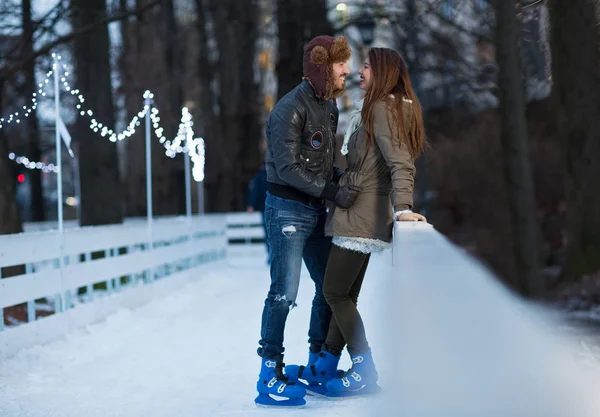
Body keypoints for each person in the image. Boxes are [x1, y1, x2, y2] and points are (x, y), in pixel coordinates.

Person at [286, 47, 427, 397]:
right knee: (344, 293)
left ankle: (365, 368)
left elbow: (401, 161)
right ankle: (326, 365)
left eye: (366, 66)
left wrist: (404, 207)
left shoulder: (383, 108)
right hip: (362, 212)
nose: (359, 71)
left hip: (362, 214)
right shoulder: (385, 108)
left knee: (334, 291)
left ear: (383, 72)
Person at [254, 35, 355, 407]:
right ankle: (269, 375)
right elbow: (287, 168)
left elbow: (321, 163)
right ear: (320, 66)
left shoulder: (329, 106)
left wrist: (340, 179)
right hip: (288, 211)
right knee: (284, 293)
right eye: (341, 63)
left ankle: (316, 367)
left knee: (331, 288)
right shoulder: (287, 109)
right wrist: (331, 192)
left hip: (315, 211)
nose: (346, 69)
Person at [247, 141, 270, 263]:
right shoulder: (275, 175)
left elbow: (254, 192)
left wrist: (251, 205)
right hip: (275, 207)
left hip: (264, 207)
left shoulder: (259, 177)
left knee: (268, 233)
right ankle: (273, 255)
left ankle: (271, 254)